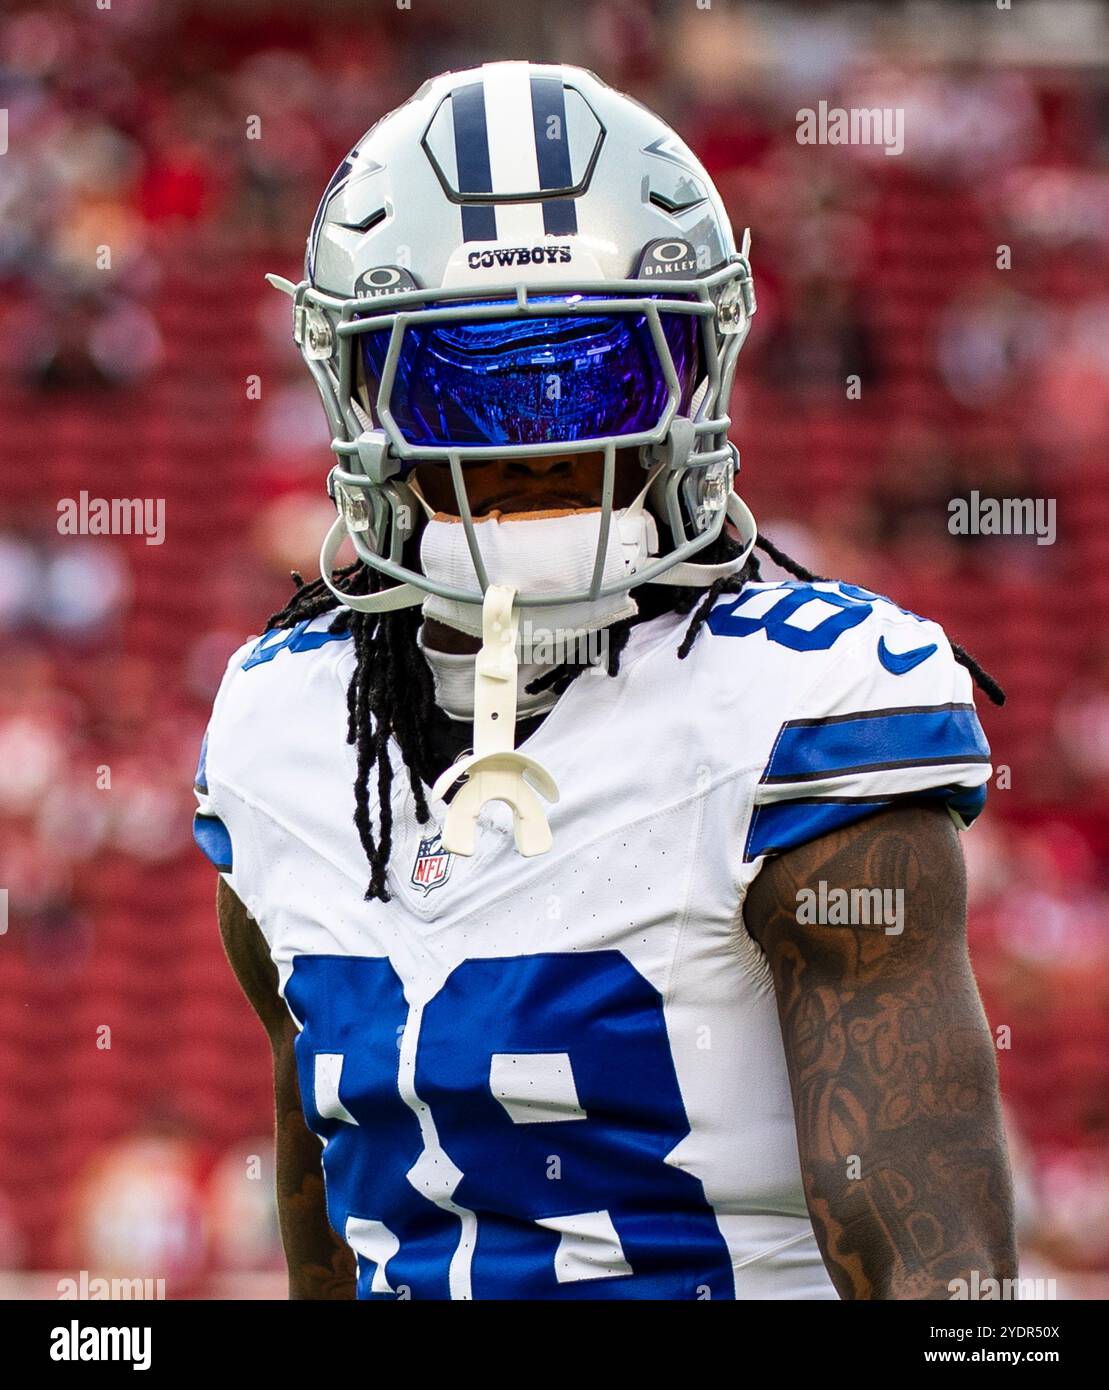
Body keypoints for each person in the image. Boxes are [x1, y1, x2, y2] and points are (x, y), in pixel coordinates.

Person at [194, 62, 1016, 1300]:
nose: (537, 442)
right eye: (458, 385)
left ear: (691, 370)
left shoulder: (799, 709)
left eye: (598, 370)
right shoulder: (282, 728)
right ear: (362, 396)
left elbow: (940, 1280)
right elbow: (335, 1227)